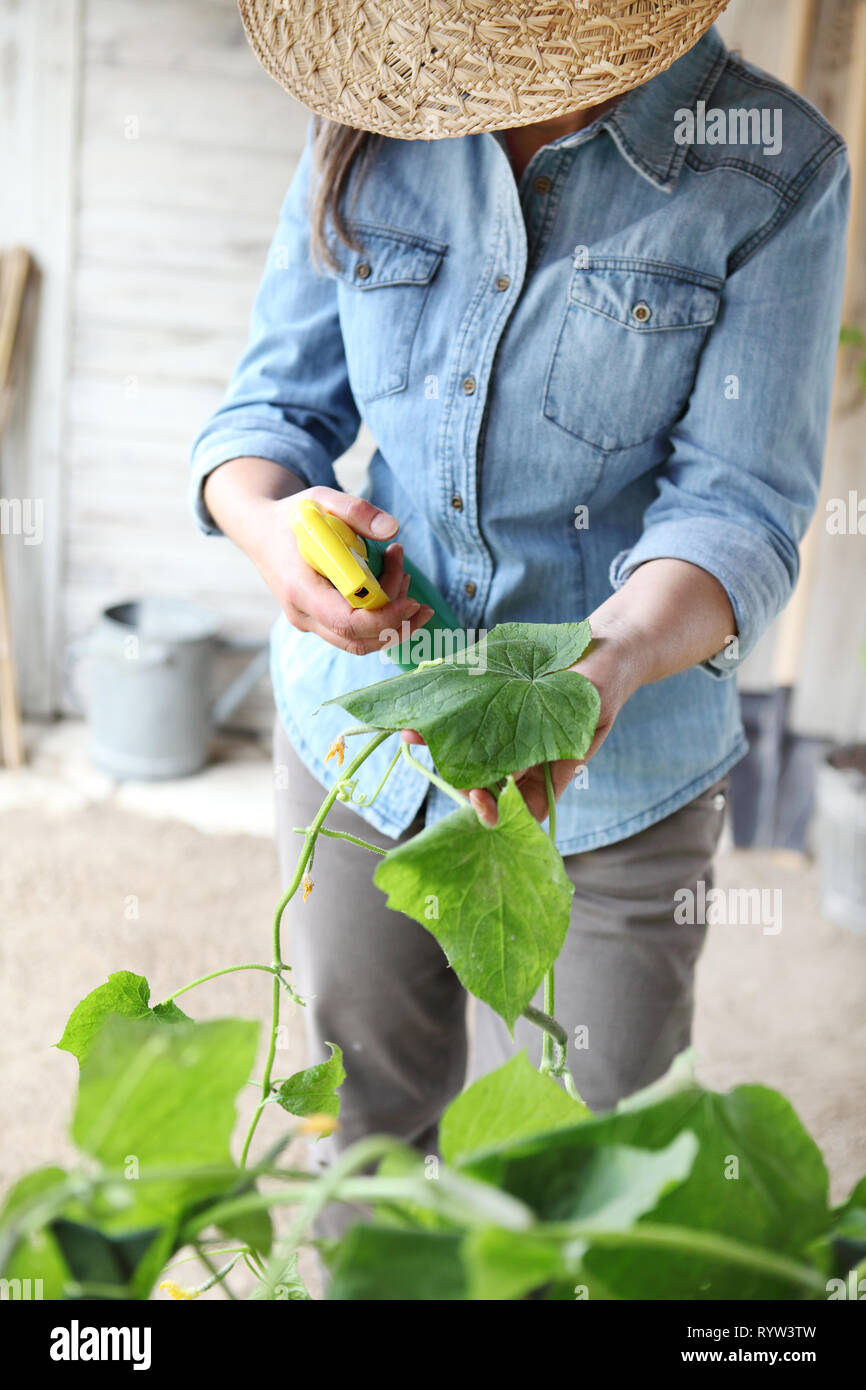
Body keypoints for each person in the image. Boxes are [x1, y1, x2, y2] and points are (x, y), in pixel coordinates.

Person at [190, 2, 849, 1171]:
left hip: (615, 774)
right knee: (361, 1135)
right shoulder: (371, 113)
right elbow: (271, 413)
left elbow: (736, 507)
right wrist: (267, 522)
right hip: (363, 735)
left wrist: (610, 665)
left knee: (581, 1167)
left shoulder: (771, 168)